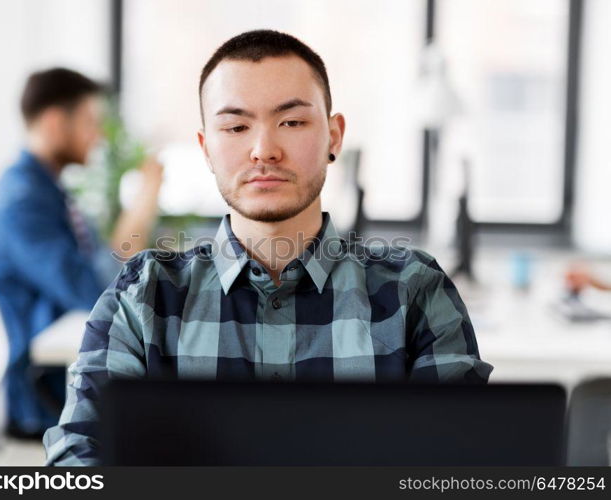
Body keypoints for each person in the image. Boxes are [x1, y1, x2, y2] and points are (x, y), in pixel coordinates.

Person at [44, 31, 493, 465]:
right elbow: (79, 451)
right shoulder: (143, 295)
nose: (264, 150)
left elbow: (466, 461)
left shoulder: (414, 291)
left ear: (334, 137)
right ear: (206, 148)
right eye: (236, 126)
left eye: (292, 122)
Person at [0, 68, 163, 438]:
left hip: (72, 360)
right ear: (54, 122)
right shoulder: (22, 203)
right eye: (89, 121)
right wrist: (146, 197)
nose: (97, 137)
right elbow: (95, 289)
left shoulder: (47, 192)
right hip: (48, 385)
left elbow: (105, 266)